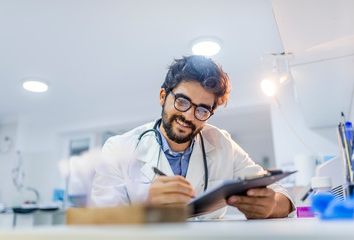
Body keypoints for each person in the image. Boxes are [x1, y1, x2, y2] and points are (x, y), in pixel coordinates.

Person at [91, 55, 294, 219]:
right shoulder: (118, 148)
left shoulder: (223, 143)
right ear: (163, 96)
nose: (188, 116)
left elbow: (283, 195)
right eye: (182, 101)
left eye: (202, 110)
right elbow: (100, 221)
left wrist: (271, 205)